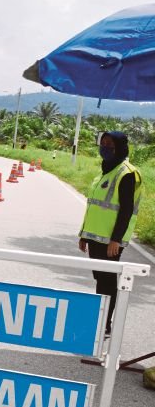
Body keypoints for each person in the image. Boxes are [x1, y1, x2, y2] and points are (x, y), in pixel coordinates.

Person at [78, 131, 142, 335]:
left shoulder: (127, 173)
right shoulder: (105, 171)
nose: (104, 147)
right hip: (96, 237)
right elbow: (95, 206)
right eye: (102, 143)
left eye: (109, 145)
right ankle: (100, 320)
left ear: (120, 147)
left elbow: (125, 210)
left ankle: (104, 325)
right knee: (101, 279)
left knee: (108, 281)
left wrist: (116, 239)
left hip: (111, 241)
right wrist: (84, 234)